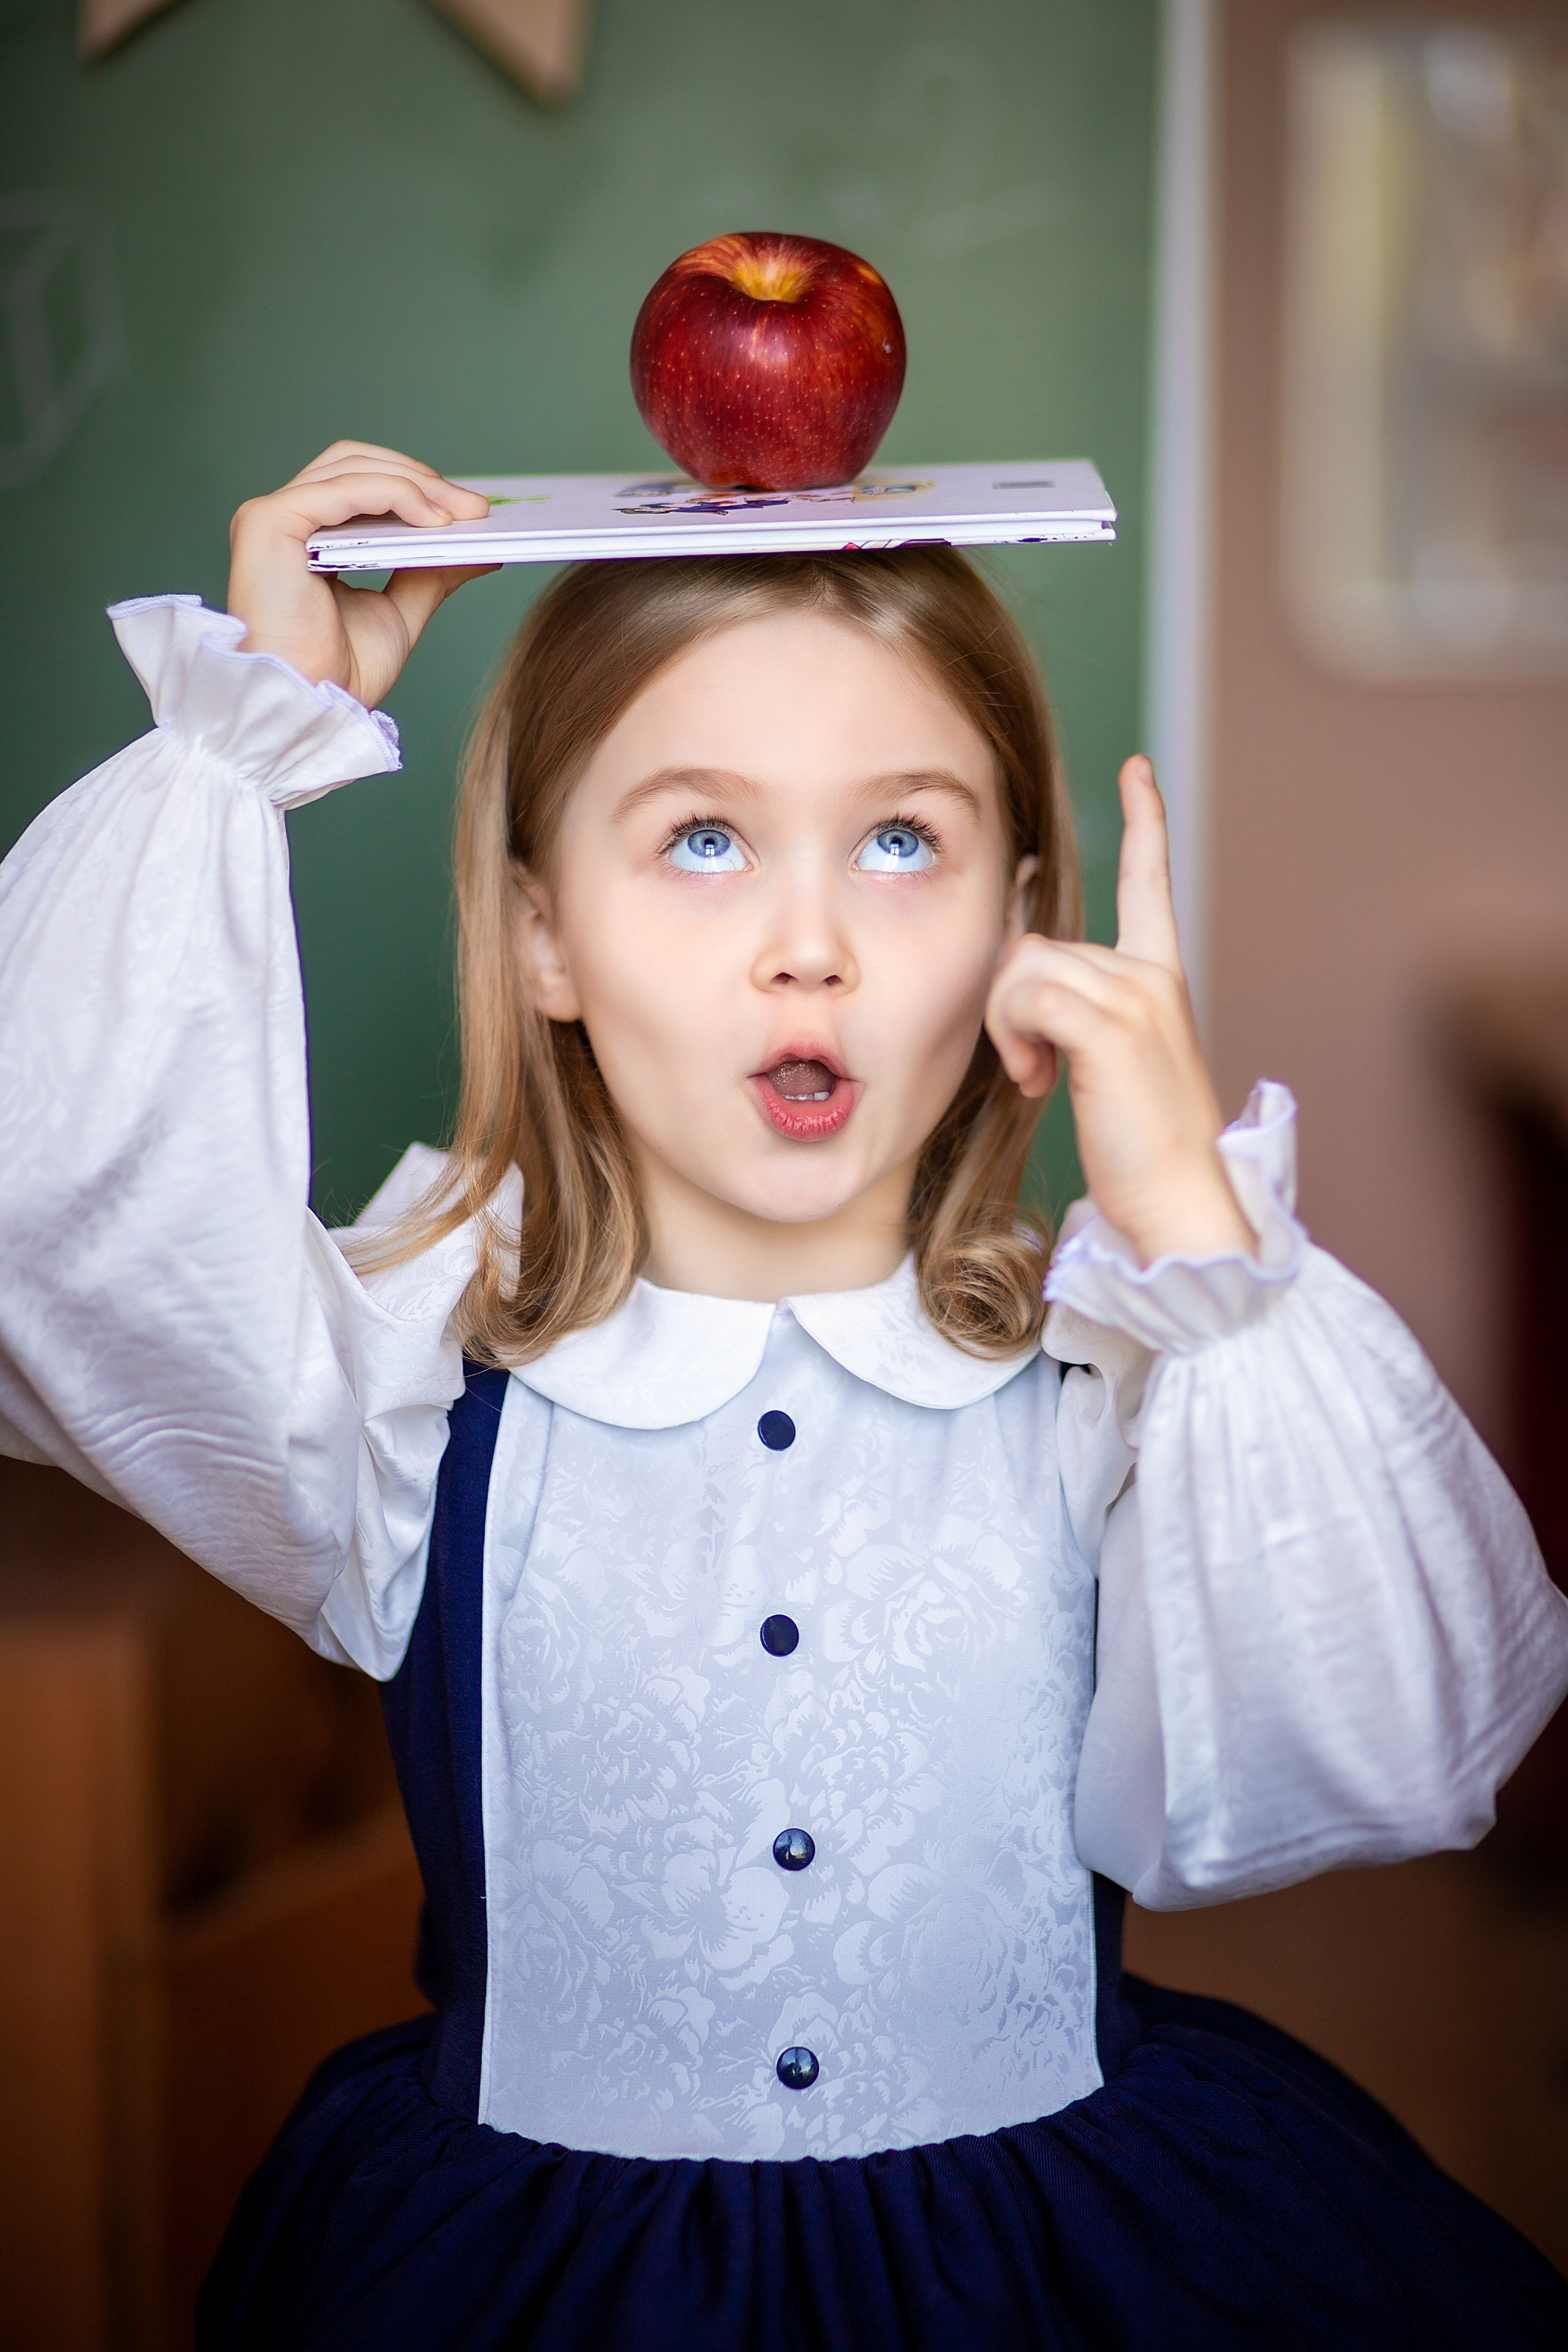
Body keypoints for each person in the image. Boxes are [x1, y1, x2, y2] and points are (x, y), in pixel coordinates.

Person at [2, 442, 1566, 2352]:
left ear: (1023, 928)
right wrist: (249, 729)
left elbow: (1405, 1744)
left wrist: (1188, 1218)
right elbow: (56, 1239)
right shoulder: (411, 1407)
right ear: (539, 938)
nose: (807, 943)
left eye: (902, 841)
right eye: (704, 839)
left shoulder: (1120, 1392)